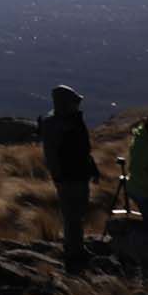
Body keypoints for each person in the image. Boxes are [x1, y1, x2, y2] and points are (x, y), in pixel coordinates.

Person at [42, 84, 102, 268]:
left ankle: (77, 246)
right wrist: (58, 176)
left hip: (78, 174)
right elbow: (51, 153)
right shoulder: (55, 124)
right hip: (68, 176)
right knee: (72, 215)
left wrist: (92, 169)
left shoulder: (71, 120)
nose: (78, 104)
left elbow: (84, 150)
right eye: (75, 101)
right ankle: (74, 252)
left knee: (78, 213)